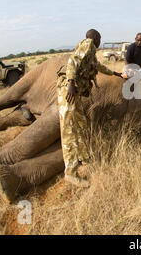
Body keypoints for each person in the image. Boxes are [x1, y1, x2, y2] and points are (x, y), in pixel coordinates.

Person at [57, 29, 123, 187]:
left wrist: (115, 73)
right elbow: (72, 61)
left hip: (76, 93)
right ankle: (70, 172)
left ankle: (84, 157)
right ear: (95, 37)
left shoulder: (91, 52)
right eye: (100, 38)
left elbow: (98, 66)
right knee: (69, 130)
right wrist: (71, 84)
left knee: (81, 123)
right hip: (69, 92)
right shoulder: (88, 44)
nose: (100, 41)